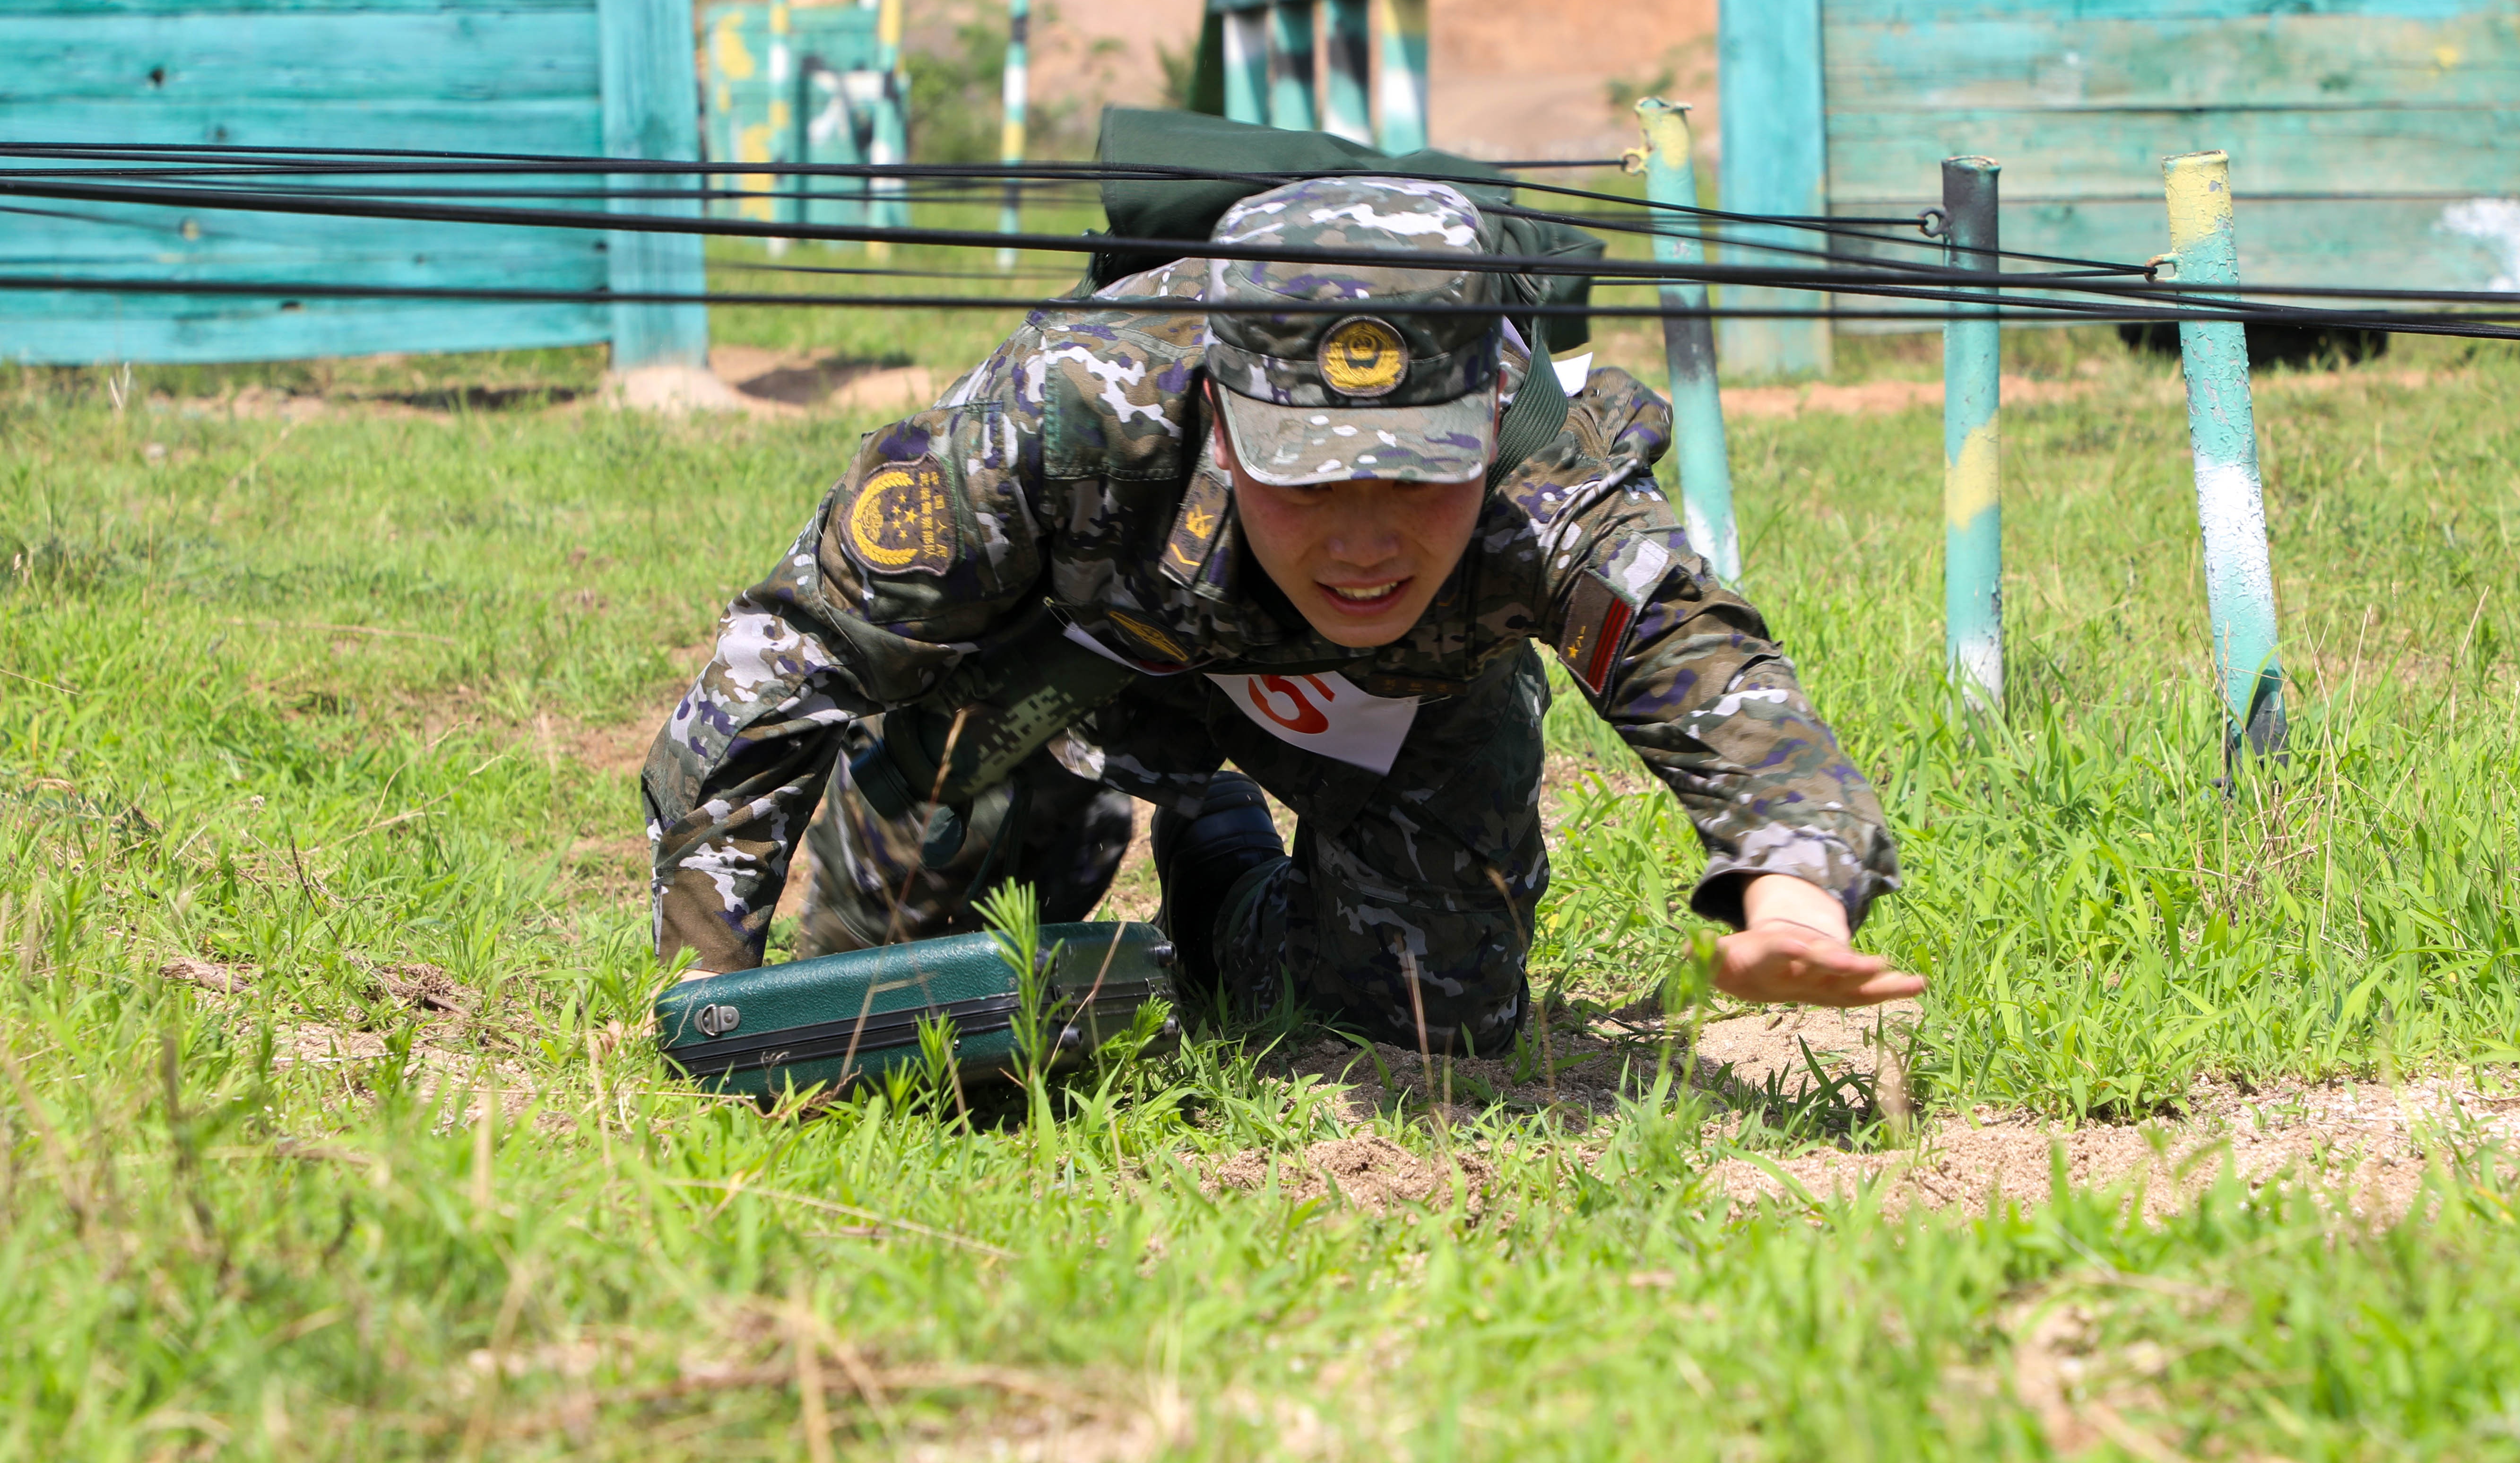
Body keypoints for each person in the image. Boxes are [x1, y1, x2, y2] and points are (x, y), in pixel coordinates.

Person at [644, 174, 1920, 1057]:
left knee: (1429, 1015)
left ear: (1486, 430)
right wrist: (709, 972)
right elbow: (792, 651)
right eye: (1311, 478)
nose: (1363, 545)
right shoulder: (1064, 407)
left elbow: (1708, 670)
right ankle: (1070, 808)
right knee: (901, 988)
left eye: (1415, 482)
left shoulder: (1551, 477)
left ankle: (1217, 857)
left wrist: (1795, 902)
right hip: (1065, 677)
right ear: (1221, 414)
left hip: (1399, 708)